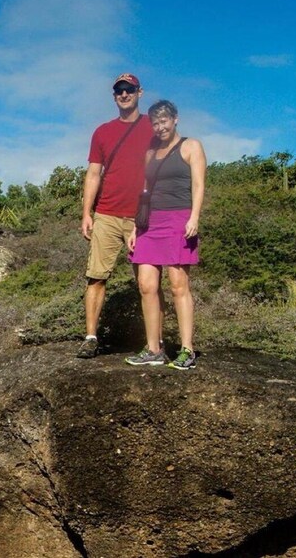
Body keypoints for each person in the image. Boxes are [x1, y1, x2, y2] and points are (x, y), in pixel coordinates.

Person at [77, 73, 155, 358]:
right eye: (119, 90)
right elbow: (94, 173)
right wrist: (87, 213)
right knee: (96, 277)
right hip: (107, 213)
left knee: (148, 282)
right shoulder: (102, 132)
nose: (124, 94)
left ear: (139, 92)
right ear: (114, 96)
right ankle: (90, 337)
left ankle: (152, 344)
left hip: (142, 216)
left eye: (129, 89)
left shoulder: (152, 126)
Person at [125, 100, 206, 369]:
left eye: (164, 121)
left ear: (175, 120)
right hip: (151, 222)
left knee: (177, 285)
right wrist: (137, 226)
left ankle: (187, 350)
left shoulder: (191, 146)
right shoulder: (151, 153)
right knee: (146, 285)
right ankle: (153, 349)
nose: (160, 127)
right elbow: (145, 193)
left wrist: (194, 217)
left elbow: (198, 184)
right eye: (156, 123)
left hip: (179, 218)